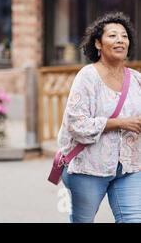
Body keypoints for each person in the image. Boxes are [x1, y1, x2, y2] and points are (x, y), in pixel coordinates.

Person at [58, 11, 141, 223]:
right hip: (88, 167)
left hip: (129, 167)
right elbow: (76, 124)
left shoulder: (137, 80)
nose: (120, 40)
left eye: (124, 36)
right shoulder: (87, 77)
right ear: (98, 44)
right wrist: (120, 123)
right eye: (112, 35)